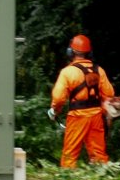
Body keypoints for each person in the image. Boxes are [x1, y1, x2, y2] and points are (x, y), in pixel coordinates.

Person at [48, 34, 115, 168]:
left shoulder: (67, 72)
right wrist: (105, 113)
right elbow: (109, 94)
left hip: (77, 117)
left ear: (70, 52)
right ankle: (103, 176)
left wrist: (54, 110)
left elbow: (59, 98)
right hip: (96, 117)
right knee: (98, 155)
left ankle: (67, 177)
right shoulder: (99, 70)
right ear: (89, 53)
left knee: (70, 155)